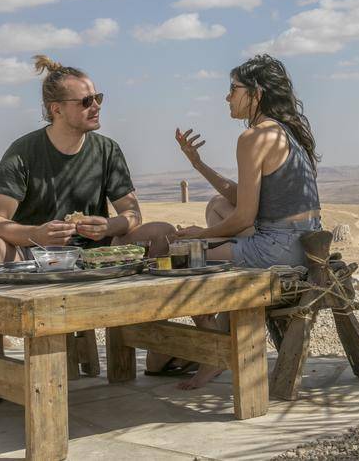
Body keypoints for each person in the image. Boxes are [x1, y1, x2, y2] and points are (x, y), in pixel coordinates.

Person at [0, 54, 167, 406]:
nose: (96, 106)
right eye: (85, 101)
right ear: (56, 109)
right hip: (35, 256)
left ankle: (155, 347)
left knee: (162, 233)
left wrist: (110, 225)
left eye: (98, 98)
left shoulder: (107, 150)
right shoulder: (24, 152)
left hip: (97, 254)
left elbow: (132, 214)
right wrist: (36, 234)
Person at [138, 53, 322, 389]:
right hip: (302, 243)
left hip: (277, 249)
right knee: (217, 205)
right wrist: (198, 164)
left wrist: (200, 236)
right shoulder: (284, 131)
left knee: (179, 256)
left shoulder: (254, 137)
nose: (227, 97)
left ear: (256, 93)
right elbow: (239, 198)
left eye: (234, 88)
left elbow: (244, 218)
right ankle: (215, 331)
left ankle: (214, 350)